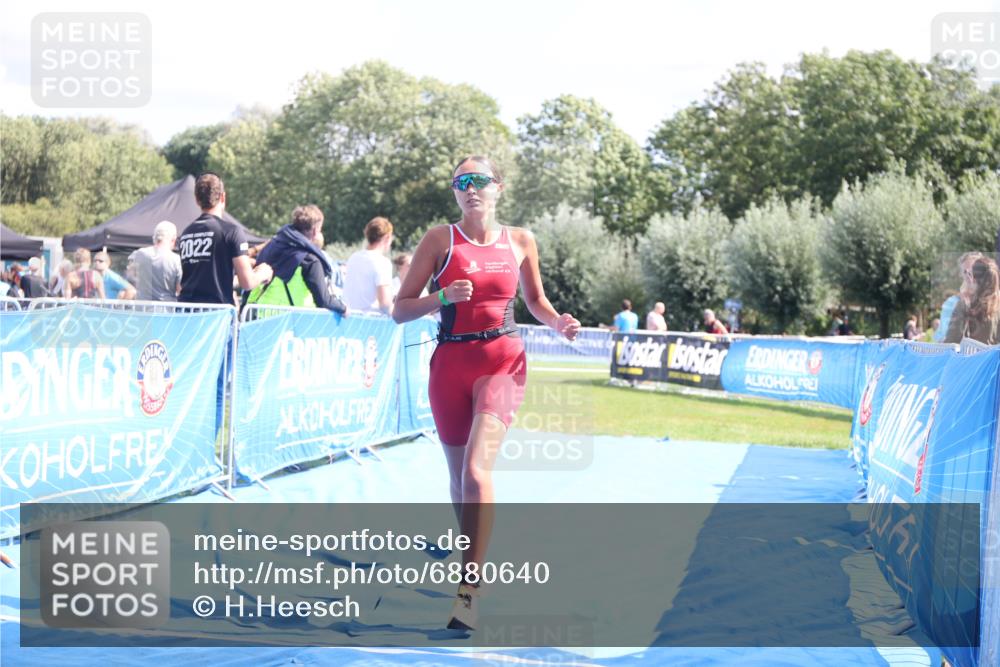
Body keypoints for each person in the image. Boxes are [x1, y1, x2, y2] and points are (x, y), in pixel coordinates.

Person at [392, 156, 580, 631]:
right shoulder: (440, 240)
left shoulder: (520, 240)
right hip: (450, 365)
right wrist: (441, 298)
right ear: (455, 192)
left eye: (479, 181)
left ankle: (469, 589)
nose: (471, 189)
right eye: (462, 182)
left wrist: (557, 322)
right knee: (458, 481)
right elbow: (399, 310)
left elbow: (534, 300)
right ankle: (472, 553)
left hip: (502, 360)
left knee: (477, 470)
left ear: (499, 187)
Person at [178, 173, 272, 305]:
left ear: (197, 200)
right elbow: (247, 282)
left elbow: (203, 277)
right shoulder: (231, 232)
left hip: (186, 314)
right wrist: (264, 273)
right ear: (223, 197)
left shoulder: (186, 234)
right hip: (214, 316)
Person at [246, 205, 347, 313]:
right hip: (292, 322)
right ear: (314, 231)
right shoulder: (310, 260)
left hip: (259, 316)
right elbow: (324, 301)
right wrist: (343, 308)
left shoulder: (269, 248)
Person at [343, 217, 394, 314]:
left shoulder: (353, 257)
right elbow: (385, 305)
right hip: (369, 322)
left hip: (348, 320)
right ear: (387, 237)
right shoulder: (383, 263)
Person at [944, 257, 1000, 345]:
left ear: (972, 278)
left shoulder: (964, 305)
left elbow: (951, 343)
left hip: (974, 358)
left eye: (968, 273)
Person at [128, 221, 182, 302]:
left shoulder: (138, 254)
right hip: (166, 310)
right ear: (173, 239)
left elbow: (130, 277)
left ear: (155, 237)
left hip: (142, 309)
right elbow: (179, 289)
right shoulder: (176, 259)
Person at [936, 252, 983, 342]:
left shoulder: (995, 301)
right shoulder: (951, 303)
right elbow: (943, 338)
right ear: (961, 275)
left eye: (973, 270)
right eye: (965, 272)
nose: (970, 276)